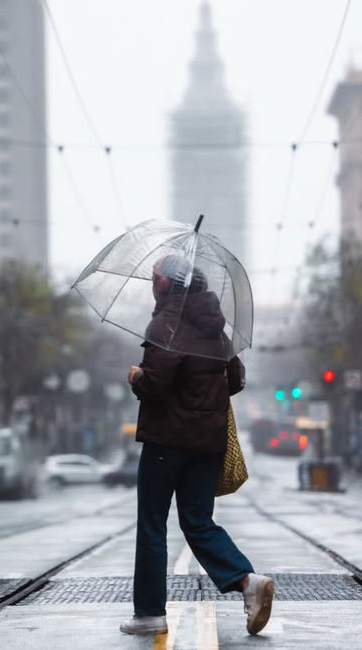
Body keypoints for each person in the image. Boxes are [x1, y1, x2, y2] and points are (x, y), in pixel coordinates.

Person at [120, 254, 274, 637]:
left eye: (154, 277)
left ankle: (150, 613)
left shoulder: (166, 323)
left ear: (169, 284)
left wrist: (138, 376)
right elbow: (235, 379)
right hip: (207, 443)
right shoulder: (216, 329)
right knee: (199, 522)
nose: (151, 283)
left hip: (165, 442)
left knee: (153, 524)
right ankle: (246, 581)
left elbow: (157, 384)